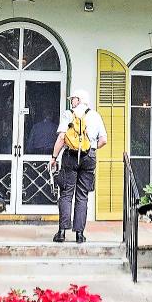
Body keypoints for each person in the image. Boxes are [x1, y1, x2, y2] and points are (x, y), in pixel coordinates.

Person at [50, 89, 107, 243]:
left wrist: (54, 157)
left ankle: (62, 232)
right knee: (82, 196)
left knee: (66, 193)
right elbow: (104, 140)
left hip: (70, 156)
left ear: (78, 100)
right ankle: (79, 235)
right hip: (89, 157)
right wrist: (91, 148)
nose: (71, 102)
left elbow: (62, 138)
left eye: (72, 99)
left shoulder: (69, 114)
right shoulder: (95, 115)